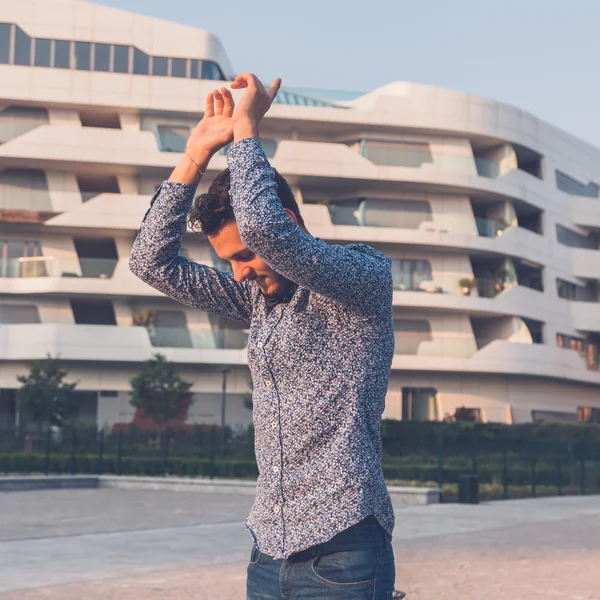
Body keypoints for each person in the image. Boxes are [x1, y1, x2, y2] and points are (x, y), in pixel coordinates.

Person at [130, 73, 398, 599]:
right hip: (267, 553)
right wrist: (194, 156)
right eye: (228, 261)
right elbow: (149, 263)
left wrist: (246, 131)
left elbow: (264, 231)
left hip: (344, 550)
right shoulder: (258, 298)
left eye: (244, 258)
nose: (239, 273)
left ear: (292, 221)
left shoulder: (363, 280)